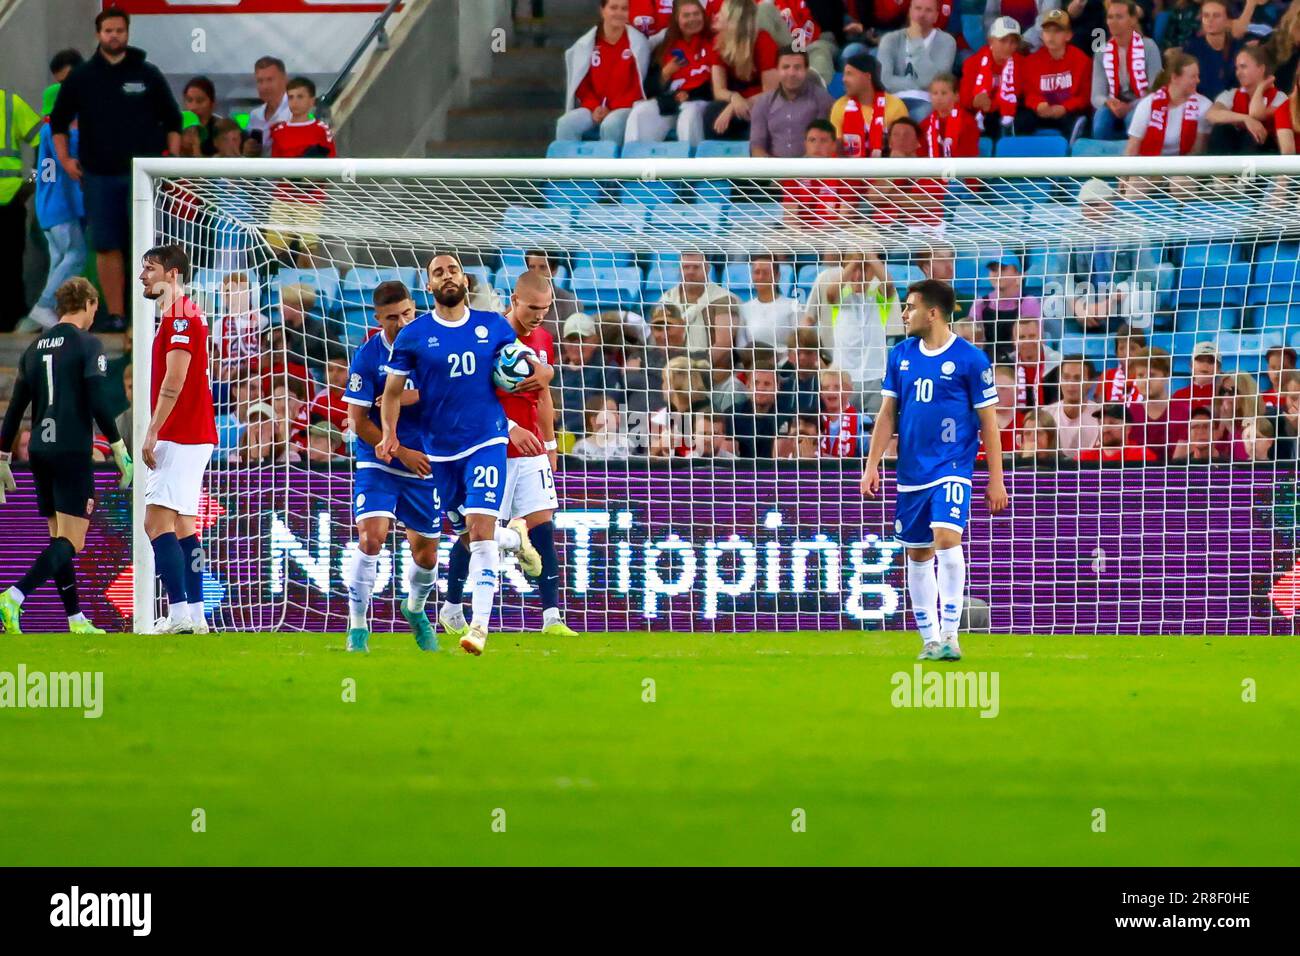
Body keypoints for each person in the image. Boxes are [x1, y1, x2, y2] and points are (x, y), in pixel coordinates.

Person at [378, 255, 545, 656]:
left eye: (452, 270)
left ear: (464, 280)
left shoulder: (492, 326)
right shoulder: (413, 336)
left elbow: (532, 365)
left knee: (480, 532)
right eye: (438, 272)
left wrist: (541, 373)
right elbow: (392, 394)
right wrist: (388, 435)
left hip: (486, 440)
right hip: (441, 451)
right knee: (469, 535)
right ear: (429, 286)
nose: (447, 276)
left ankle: (480, 628)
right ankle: (515, 536)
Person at [862, 279, 1009, 662]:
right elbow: (887, 414)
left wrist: (996, 478)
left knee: (946, 539)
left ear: (933, 312)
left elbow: (988, 423)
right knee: (917, 554)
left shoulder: (971, 360)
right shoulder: (901, 355)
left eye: (910, 306)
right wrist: (872, 463)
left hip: (953, 466)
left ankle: (950, 634)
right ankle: (929, 639)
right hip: (911, 470)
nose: (904, 313)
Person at [441, 271, 573, 641]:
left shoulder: (544, 338)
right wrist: (511, 426)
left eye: (545, 310)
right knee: (477, 535)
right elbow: (473, 397)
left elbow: (543, 396)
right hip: (492, 448)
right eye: (532, 308)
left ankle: (551, 617)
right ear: (513, 299)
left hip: (531, 451)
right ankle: (452, 606)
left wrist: (550, 446)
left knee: (544, 527)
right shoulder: (488, 336)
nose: (538, 316)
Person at [0, 278, 133, 635]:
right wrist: (118, 445)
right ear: (89, 304)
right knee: (73, 540)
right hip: (72, 448)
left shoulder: (34, 347)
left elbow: (15, 408)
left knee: (59, 537)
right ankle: (14, 595)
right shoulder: (88, 344)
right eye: (94, 308)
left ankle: (75, 619)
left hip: (40, 452)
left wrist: (1, 455)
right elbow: (96, 396)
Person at [50, 6, 182, 332]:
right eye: (108, 31)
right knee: (107, 244)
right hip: (99, 175)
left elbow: (173, 120)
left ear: (127, 33)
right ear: (98, 34)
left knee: (149, 245)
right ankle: (119, 314)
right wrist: (66, 160)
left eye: (120, 30)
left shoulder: (147, 73)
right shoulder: (82, 77)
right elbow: (59, 122)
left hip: (144, 175)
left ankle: (154, 310)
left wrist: (171, 164)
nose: (114, 36)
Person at [340, 281, 443, 653]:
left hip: (426, 464)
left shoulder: (433, 346)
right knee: (371, 538)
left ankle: (415, 610)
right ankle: (357, 628)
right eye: (392, 318)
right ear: (377, 318)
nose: (401, 323)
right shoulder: (368, 357)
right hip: (382, 460)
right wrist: (396, 449)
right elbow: (358, 420)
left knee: (426, 554)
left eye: (407, 314)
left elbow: (456, 391)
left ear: (415, 309)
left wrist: (410, 395)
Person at [140, 244, 218, 635]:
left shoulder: (182, 316)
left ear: (172, 274)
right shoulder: (182, 315)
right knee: (186, 526)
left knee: (155, 524)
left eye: (150, 269)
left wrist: (152, 430)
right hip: (194, 433)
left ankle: (178, 614)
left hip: (181, 433)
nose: (143, 277)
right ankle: (198, 614)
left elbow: (175, 379)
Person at [24, 64, 88, 332]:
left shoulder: (45, 131)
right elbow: (76, 150)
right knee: (76, 254)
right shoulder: (56, 130)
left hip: (49, 209)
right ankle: (44, 305)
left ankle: (42, 315)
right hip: (61, 208)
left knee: (60, 260)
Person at [624, 0, 718, 145]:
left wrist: (689, 94)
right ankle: (639, 164)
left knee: (688, 116)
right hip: (669, 103)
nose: (692, 19)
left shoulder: (714, 43)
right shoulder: (664, 47)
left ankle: (691, 165)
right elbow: (648, 90)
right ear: (676, 19)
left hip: (699, 103)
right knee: (640, 113)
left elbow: (718, 85)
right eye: (686, 15)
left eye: (696, 14)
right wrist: (665, 74)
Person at [558, 0, 650, 143]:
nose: (619, 13)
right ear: (602, 11)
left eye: (624, 9)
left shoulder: (638, 43)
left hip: (626, 108)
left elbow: (639, 86)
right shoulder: (587, 43)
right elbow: (581, 83)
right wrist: (594, 106)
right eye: (613, 8)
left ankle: (610, 166)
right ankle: (569, 165)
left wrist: (611, 108)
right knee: (566, 124)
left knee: (611, 124)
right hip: (595, 108)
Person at [0, 80, 43, 330]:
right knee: (11, 262)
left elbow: (42, 141)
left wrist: (34, 180)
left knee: (11, 263)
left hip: (10, 199)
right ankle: (9, 316)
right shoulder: (10, 103)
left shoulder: (9, 103)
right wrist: (33, 181)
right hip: (12, 199)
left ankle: (9, 317)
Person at [704, 0, 780, 139]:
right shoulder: (718, 42)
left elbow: (771, 92)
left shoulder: (763, 41)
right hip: (738, 98)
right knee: (712, 113)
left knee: (762, 114)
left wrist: (735, 107)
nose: (716, 16)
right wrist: (734, 98)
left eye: (722, 14)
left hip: (762, 101)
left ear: (734, 21)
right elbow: (718, 90)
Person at [1090, 0, 1162, 140]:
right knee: (1100, 121)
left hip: (1141, 102)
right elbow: (1096, 95)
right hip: (1113, 104)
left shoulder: (1149, 46)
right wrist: (1110, 103)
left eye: (1119, 17)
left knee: (1133, 119)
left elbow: (1156, 89)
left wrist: (1131, 106)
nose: (1113, 22)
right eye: (1110, 17)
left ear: (1133, 19)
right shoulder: (1101, 51)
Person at [876, 0, 958, 121]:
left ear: (936, 16)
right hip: (893, 100)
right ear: (909, 12)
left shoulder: (946, 42)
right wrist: (917, 84)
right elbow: (884, 80)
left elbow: (934, 82)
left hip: (926, 100)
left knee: (922, 114)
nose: (922, 14)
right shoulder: (890, 39)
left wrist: (916, 40)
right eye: (918, 8)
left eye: (928, 10)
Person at [749, 46, 835, 158]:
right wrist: (773, 169)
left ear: (806, 69)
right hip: (773, 171)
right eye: (785, 67)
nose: (791, 73)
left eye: (797, 67)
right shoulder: (763, 103)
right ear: (777, 70)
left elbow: (824, 146)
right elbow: (757, 146)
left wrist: (799, 171)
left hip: (810, 171)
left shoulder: (823, 100)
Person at [1021, 9, 1092, 139]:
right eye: (1047, 31)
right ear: (1042, 35)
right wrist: (1038, 104)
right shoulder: (1031, 62)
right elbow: (1029, 93)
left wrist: (1065, 108)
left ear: (1068, 35)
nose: (1051, 36)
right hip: (1042, 111)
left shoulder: (1082, 60)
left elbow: (1085, 96)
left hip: (1067, 112)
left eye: (1057, 31)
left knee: (1076, 120)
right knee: (1023, 119)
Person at [1124, 51, 1211, 156]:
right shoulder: (1148, 104)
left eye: (1198, 76)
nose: (1198, 81)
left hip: (1183, 168)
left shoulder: (1204, 106)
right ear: (1174, 78)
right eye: (1193, 76)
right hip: (1148, 165)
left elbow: (1197, 152)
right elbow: (1132, 148)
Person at [1206, 46, 1287, 154]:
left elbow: (1256, 114)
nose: (1238, 73)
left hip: (1265, 151)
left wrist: (1260, 88)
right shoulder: (1232, 94)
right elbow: (1212, 115)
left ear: (1261, 69)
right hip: (1236, 147)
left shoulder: (1279, 98)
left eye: (1243, 67)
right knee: (1220, 129)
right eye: (1237, 68)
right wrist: (1245, 119)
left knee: (1252, 134)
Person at [960, 16, 1026, 140]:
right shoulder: (973, 63)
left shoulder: (1021, 63)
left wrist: (991, 105)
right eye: (1003, 40)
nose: (1008, 46)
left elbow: (1016, 93)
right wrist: (975, 101)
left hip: (1006, 111)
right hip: (980, 112)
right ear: (991, 41)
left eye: (1013, 42)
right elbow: (965, 97)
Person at [831, 51, 908, 157]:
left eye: (850, 74)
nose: (844, 79)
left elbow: (902, 150)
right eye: (844, 74)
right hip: (850, 170)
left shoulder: (895, 106)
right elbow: (836, 150)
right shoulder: (840, 106)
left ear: (867, 76)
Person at [970, 257, 1045, 362]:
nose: (997, 273)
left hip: (1018, 363)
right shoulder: (980, 304)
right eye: (993, 269)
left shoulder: (1028, 302)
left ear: (1018, 274)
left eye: (1003, 268)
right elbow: (971, 342)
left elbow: (1034, 344)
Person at [1172, 1, 1243, 102]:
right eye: (1206, 16)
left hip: (1230, 106)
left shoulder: (1238, 49)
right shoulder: (1191, 49)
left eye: (1216, 16)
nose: (1210, 20)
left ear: (1228, 21)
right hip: (1198, 106)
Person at [738, 252, 800, 359]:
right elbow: (741, 345)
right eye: (757, 272)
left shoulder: (793, 305)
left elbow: (799, 341)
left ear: (777, 276)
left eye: (766, 272)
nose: (761, 277)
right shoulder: (744, 308)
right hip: (753, 366)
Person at [1041, 357, 1101, 458]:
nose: (1070, 383)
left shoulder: (1102, 415)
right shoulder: (1045, 415)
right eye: (1066, 377)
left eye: (1078, 378)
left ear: (1090, 383)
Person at [270, 77, 336, 158]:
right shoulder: (278, 131)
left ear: (311, 101)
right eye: (291, 97)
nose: (295, 101)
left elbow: (332, 163)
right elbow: (274, 165)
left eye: (300, 97)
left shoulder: (322, 130)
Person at [919, 73, 979, 157]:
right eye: (935, 93)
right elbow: (921, 156)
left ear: (956, 96)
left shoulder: (967, 122)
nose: (939, 98)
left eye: (944, 93)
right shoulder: (925, 124)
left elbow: (968, 156)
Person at [1077, 403, 1156, 461]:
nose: (1105, 429)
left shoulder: (1142, 456)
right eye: (1101, 423)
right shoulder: (1084, 457)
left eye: (1112, 423)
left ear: (1128, 428)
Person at [246, 56, 291, 156]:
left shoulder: (296, 111)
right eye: (260, 81)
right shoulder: (255, 115)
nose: (264, 87)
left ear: (284, 79)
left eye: (270, 80)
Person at [182, 76, 222, 156]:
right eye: (189, 100)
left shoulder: (221, 131)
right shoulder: (175, 127)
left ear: (212, 104)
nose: (193, 107)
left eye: (199, 101)